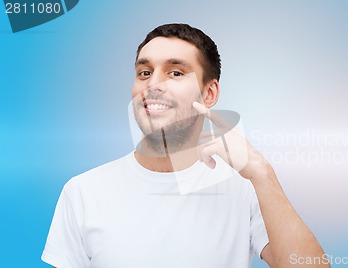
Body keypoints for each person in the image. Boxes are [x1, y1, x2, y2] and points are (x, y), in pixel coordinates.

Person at [42, 23, 328, 268]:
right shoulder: (82, 192)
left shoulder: (245, 188)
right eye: (144, 73)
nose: (153, 84)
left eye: (175, 73)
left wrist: (262, 174)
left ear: (210, 92)